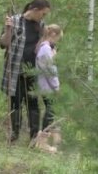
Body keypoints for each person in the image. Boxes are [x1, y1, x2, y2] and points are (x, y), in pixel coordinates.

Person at [0, 0, 51, 142]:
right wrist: (8, 29)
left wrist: (44, 37)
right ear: (35, 10)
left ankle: (34, 136)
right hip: (15, 69)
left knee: (33, 103)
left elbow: (39, 48)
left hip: (33, 71)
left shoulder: (41, 25)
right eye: (43, 13)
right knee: (15, 102)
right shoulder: (13, 21)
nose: (43, 17)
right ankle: (14, 134)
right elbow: (4, 43)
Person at [34, 24, 63, 152]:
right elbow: (49, 70)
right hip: (48, 86)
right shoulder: (45, 49)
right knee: (50, 112)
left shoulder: (45, 49)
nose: (57, 41)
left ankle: (54, 140)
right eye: (58, 38)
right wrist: (56, 87)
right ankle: (42, 142)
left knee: (51, 111)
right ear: (53, 35)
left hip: (46, 85)